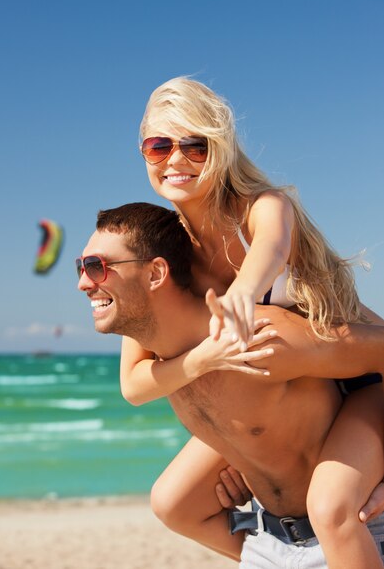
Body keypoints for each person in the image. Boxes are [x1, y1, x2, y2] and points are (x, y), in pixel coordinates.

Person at [118, 77, 384, 568]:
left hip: (361, 380)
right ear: (143, 153)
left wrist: (242, 293)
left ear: (219, 149)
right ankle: (275, 554)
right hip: (290, 399)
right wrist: (244, 453)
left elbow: (271, 250)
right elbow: (135, 383)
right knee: (174, 502)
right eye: (159, 146)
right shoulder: (165, 245)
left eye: (194, 146)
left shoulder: (264, 207)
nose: (175, 160)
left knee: (331, 509)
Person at [77, 202, 384, 568]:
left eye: (97, 267)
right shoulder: (162, 361)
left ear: (156, 274)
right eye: (81, 268)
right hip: (267, 542)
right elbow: (132, 389)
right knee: (170, 502)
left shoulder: (259, 337)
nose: (83, 283)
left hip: (355, 531)